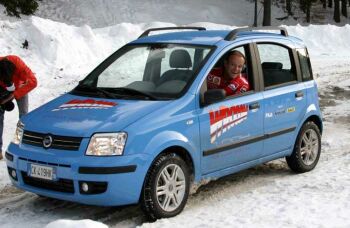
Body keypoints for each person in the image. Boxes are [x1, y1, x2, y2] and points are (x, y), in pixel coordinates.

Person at [0, 55, 37, 160]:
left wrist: (14, 95)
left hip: (21, 87)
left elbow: (33, 81)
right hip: (2, 89)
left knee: (23, 117)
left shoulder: (19, 65)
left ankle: (19, 144)